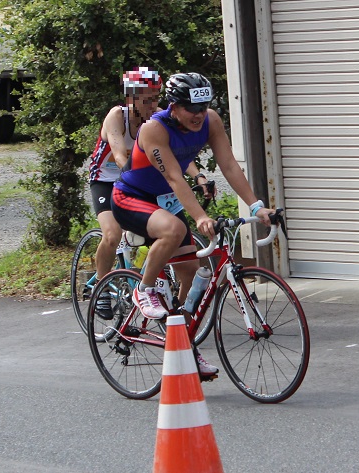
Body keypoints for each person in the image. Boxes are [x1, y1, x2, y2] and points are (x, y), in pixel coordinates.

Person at [111, 72, 275, 376]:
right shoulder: (153, 129)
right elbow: (175, 177)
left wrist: (257, 206)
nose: (199, 115)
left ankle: (183, 344)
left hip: (163, 200)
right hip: (130, 197)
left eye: (203, 108)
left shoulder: (211, 120)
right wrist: (200, 216)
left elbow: (228, 165)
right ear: (174, 105)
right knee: (173, 230)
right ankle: (143, 289)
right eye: (191, 109)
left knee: (191, 273)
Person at [87, 67, 208, 319]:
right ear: (130, 98)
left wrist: (197, 175)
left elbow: (176, 157)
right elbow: (120, 156)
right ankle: (101, 287)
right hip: (109, 178)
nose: (151, 103)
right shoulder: (116, 116)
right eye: (144, 97)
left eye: (155, 97)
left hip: (140, 180)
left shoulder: (158, 121)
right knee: (112, 233)